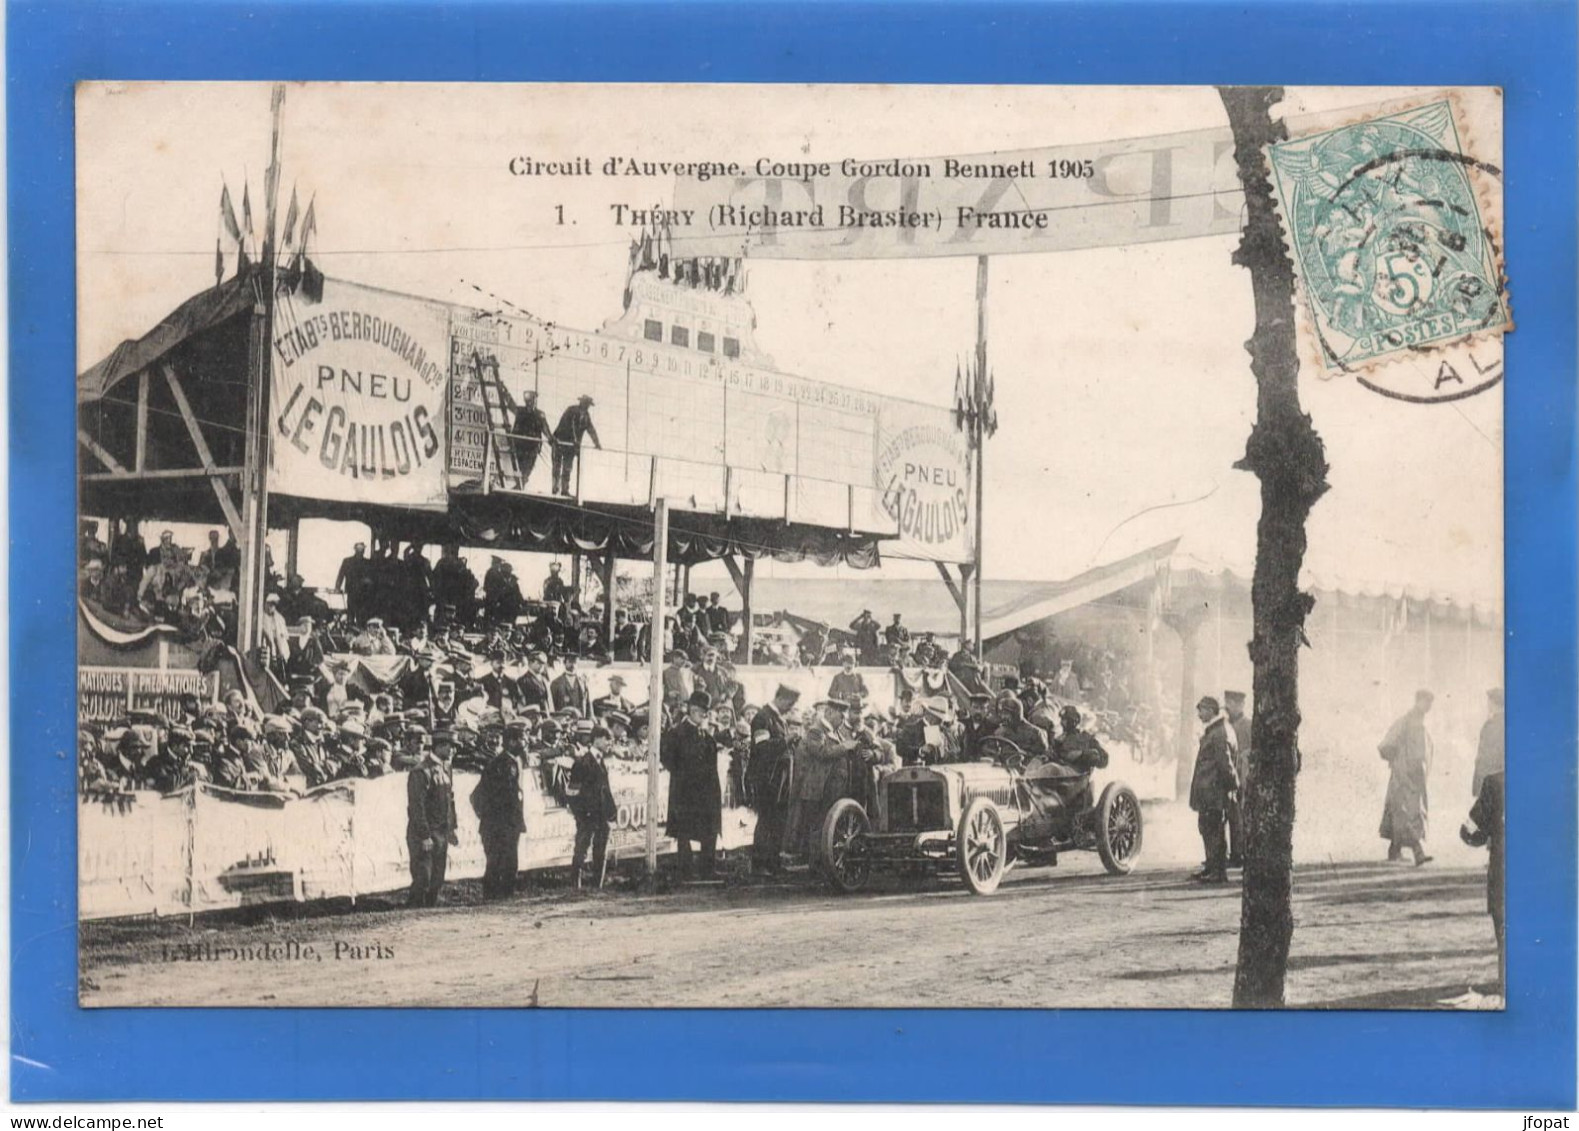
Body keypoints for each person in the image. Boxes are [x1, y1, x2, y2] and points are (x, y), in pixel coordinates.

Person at [662, 690, 723, 881]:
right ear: (691, 710)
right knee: (684, 831)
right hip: (685, 790)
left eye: (705, 712)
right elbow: (668, 759)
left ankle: (707, 868)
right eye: (699, 711)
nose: (703, 716)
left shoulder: (706, 736)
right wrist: (685, 775)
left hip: (704, 791)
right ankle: (685, 870)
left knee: (709, 829)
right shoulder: (676, 733)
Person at [1460, 750, 1505, 993]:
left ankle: (1505, 983)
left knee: (1504, 929)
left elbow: (1471, 831)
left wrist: (1468, 834)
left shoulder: (1495, 783)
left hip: (1503, 873)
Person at [747, 683, 799, 876]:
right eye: (790, 704)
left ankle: (773, 862)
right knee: (766, 820)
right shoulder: (762, 717)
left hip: (779, 780)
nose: (790, 709)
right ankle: (760, 864)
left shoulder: (778, 719)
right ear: (782, 699)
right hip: (766, 779)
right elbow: (762, 748)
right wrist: (786, 740)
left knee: (778, 821)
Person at [473, 720, 528, 900]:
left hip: (508, 825)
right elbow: (478, 796)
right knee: (497, 864)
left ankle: (504, 899)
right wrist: (490, 819)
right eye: (522, 739)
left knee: (509, 863)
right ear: (511, 742)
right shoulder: (500, 764)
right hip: (498, 826)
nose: (526, 742)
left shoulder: (513, 762)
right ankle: (493, 900)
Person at [1378, 690, 1435, 866]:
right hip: (1404, 777)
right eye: (1426, 702)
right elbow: (1386, 745)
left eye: (1430, 703)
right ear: (1418, 701)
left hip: (1415, 776)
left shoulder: (1420, 724)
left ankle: (1394, 850)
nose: (1429, 706)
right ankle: (1418, 853)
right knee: (1407, 813)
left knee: (1404, 812)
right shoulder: (1405, 722)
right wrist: (1398, 763)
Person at [406, 725, 459, 907]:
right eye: (449, 746)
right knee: (423, 878)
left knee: (437, 878)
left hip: (441, 833)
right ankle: (413, 911)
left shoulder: (446, 769)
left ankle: (429, 912)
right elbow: (416, 806)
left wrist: (452, 828)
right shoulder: (421, 771)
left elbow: (450, 800)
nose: (453, 750)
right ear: (438, 746)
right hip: (425, 834)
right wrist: (424, 835)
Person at [1189, 696, 1239, 884]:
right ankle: (1212, 867)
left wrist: (1233, 786)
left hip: (1214, 793)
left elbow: (1225, 765)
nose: (1199, 714)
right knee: (1208, 828)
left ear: (1210, 710)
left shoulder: (1220, 732)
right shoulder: (1218, 730)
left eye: (1201, 710)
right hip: (1210, 792)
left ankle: (1218, 872)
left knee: (1214, 830)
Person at [568, 723, 617, 888]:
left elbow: (606, 789)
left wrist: (611, 811)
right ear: (596, 739)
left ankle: (598, 885)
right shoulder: (581, 763)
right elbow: (573, 793)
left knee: (600, 850)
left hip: (602, 814)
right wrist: (581, 815)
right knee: (581, 849)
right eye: (606, 739)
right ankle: (576, 885)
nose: (609, 743)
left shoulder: (603, 762)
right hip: (587, 815)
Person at [551, 394, 602, 495]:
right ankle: (555, 488)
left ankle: (564, 490)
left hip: (571, 446)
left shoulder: (586, 416)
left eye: (588, 405)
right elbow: (570, 425)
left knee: (567, 467)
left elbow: (591, 429)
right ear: (581, 403)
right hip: (560, 441)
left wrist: (597, 443)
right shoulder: (572, 410)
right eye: (585, 404)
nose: (586, 406)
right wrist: (575, 440)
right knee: (557, 465)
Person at [1223, 689, 1252, 867]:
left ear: (1241, 705)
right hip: (1229, 775)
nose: (1229, 707)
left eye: (1233, 703)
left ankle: (1241, 853)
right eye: (1228, 703)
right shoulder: (1225, 725)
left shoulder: (1248, 725)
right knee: (1230, 815)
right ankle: (1232, 853)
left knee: (1241, 816)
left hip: (1244, 775)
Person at [506, 387, 551, 490]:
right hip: (520, 445)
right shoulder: (521, 411)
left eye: (532, 400)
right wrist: (505, 392)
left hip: (532, 447)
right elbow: (511, 405)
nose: (531, 402)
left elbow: (545, 429)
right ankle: (520, 484)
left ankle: (521, 484)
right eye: (529, 400)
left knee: (527, 467)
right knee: (520, 466)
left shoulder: (539, 415)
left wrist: (552, 440)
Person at [1472, 687, 1505, 797]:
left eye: (1489, 701)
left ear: (1493, 703)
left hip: (1489, 778)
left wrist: (1478, 782)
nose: (1487, 704)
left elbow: (1485, 755)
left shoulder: (1491, 725)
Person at [335, 542, 370, 623]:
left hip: (364, 595)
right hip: (351, 593)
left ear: (364, 551)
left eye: (362, 549)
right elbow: (341, 575)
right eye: (358, 549)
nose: (360, 551)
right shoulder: (347, 561)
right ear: (355, 550)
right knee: (350, 615)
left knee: (362, 617)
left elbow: (371, 578)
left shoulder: (367, 563)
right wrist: (337, 587)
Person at [550, 653, 592, 718]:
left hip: (580, 718)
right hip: (563, 720)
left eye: (575, 662)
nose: (573, 665)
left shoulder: (582, 682)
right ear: (564, 663)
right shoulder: (556, 683)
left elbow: (588, 703)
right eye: (570, 662)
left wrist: (590, 717)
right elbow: (552, 705)